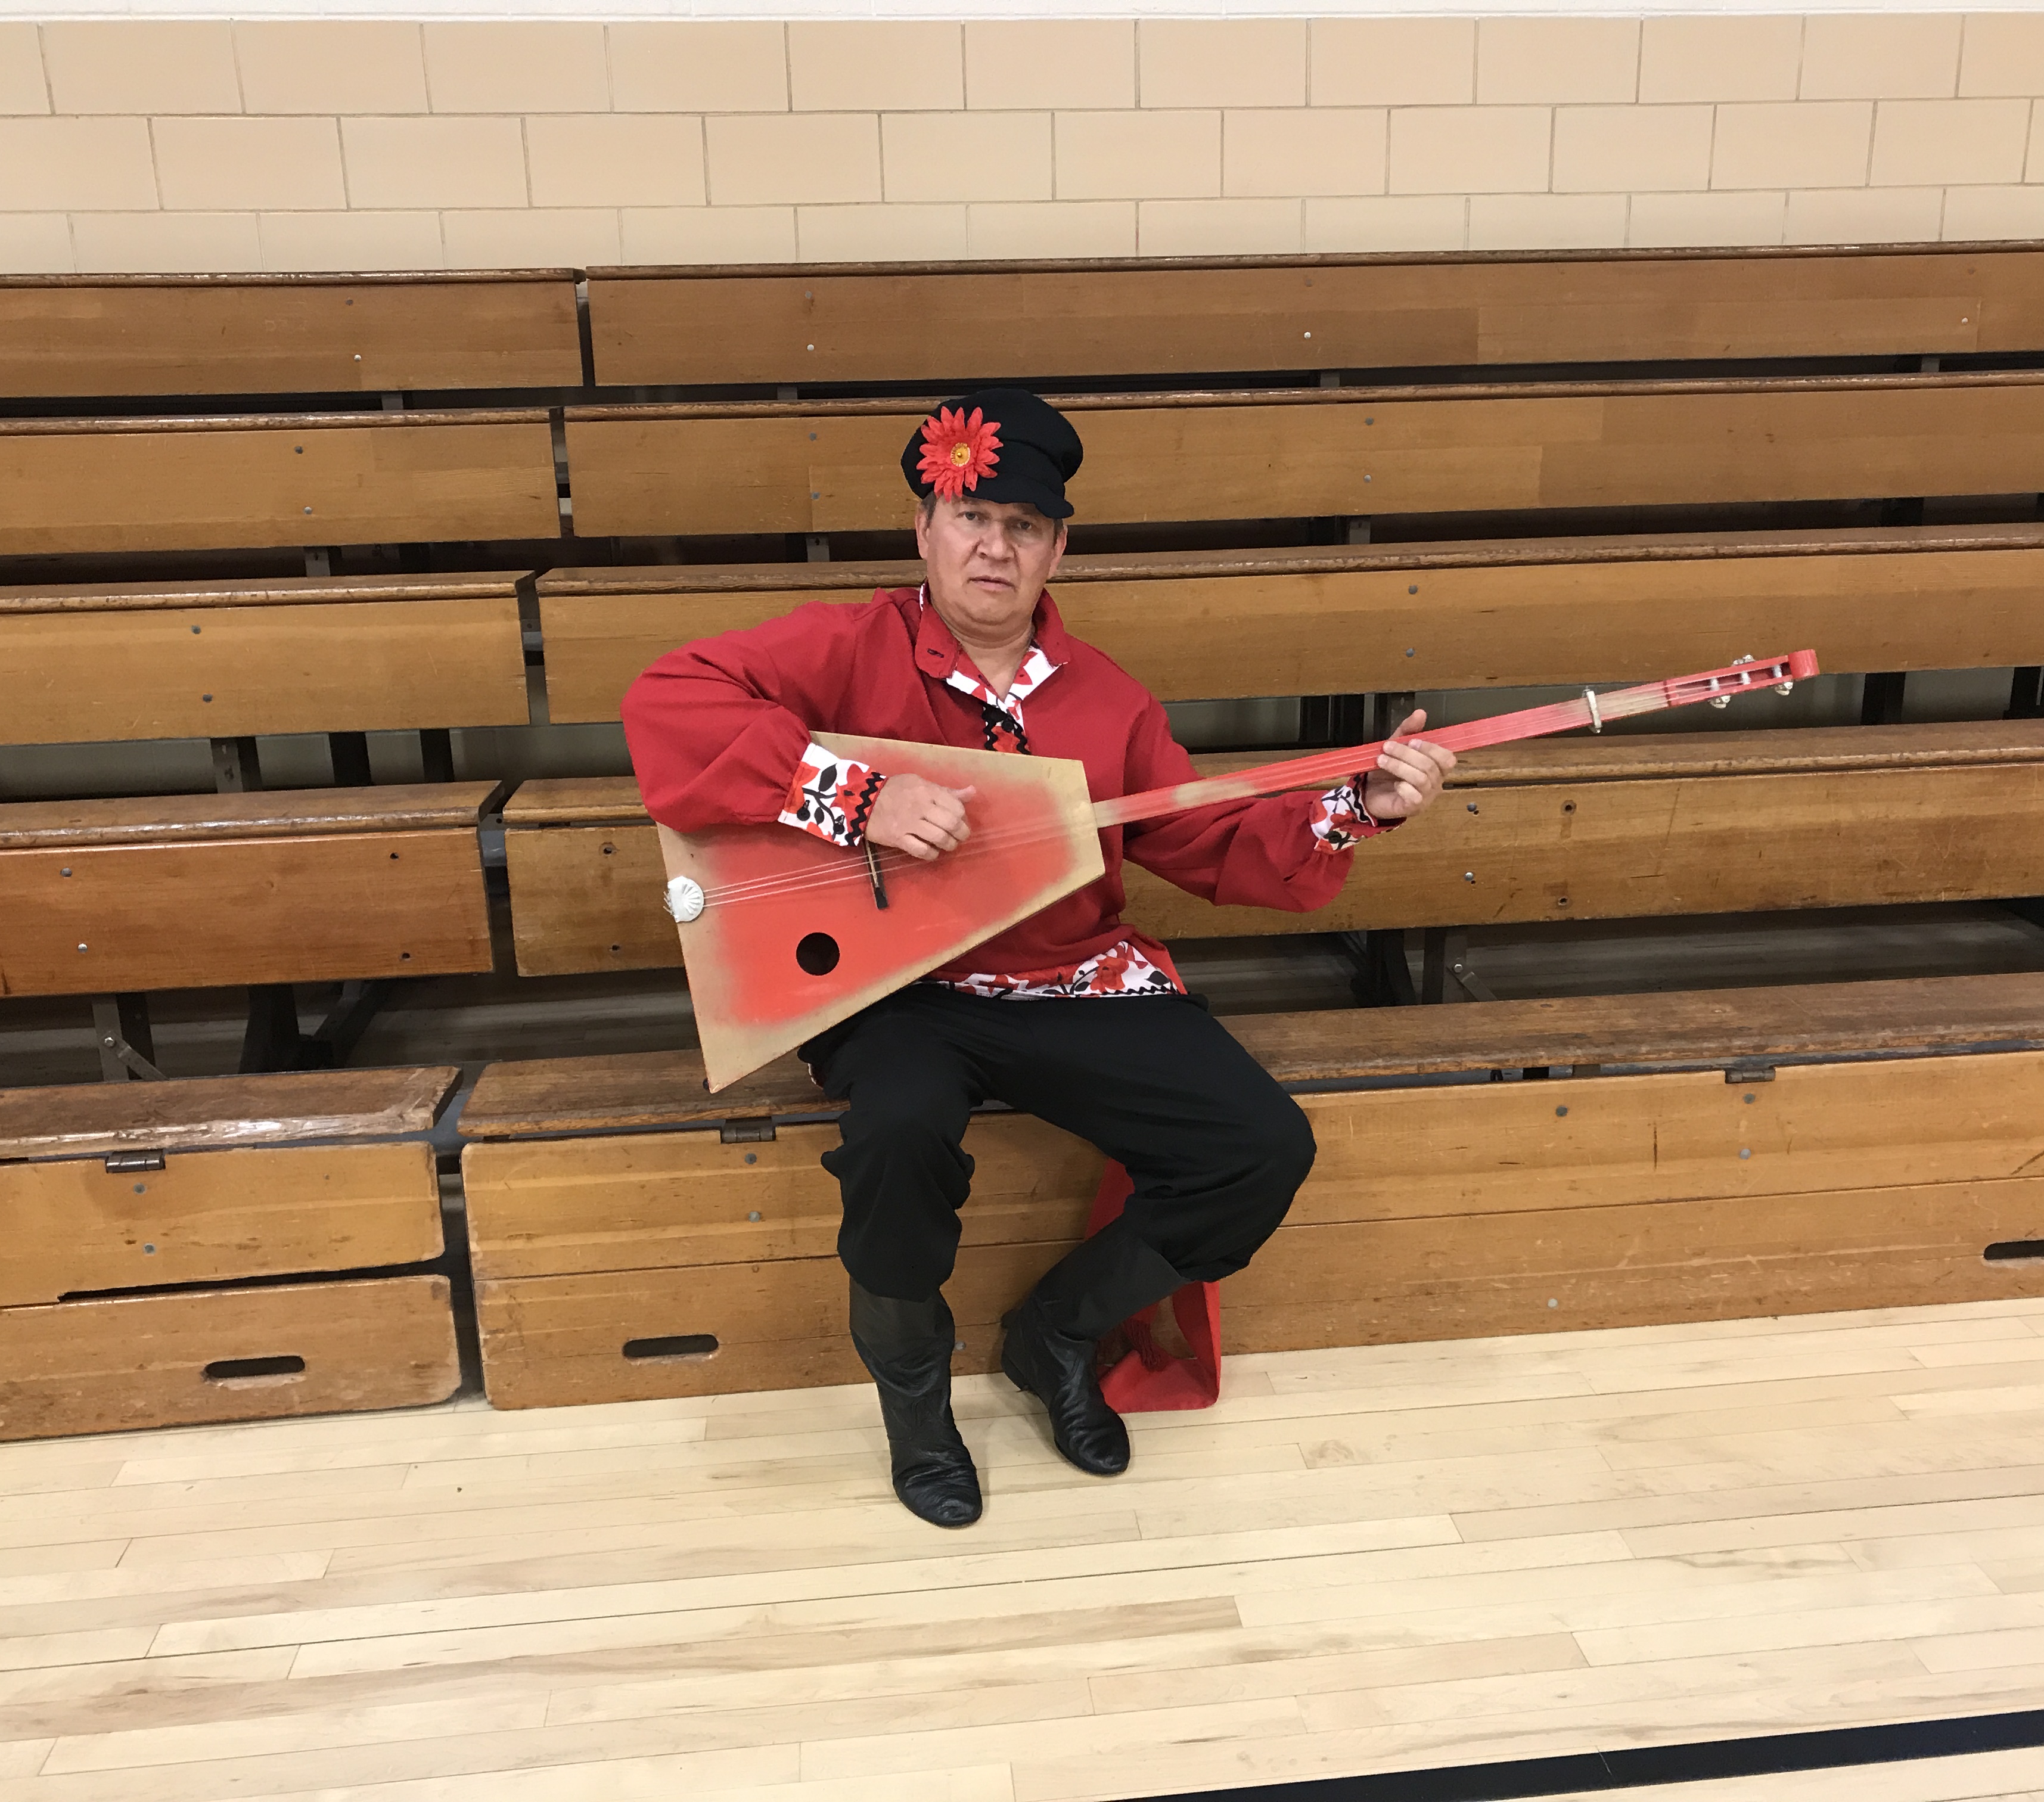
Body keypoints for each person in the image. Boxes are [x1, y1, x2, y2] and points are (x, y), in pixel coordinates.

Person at [623, 388, 1456, 1528]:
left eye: (1024, 526)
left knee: (1261, 1147)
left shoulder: (1106, 698)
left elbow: (1207, 836)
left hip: (1073, 980)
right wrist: (852, 796)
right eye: (971, 516)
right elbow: (668, 700)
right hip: (901, 989)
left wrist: (1356, 806)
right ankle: (916, 1407)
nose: (993, 546)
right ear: (925, 527)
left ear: (1060, 547)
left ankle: (1055, 1334)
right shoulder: (844, 645)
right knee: (900, 1131)